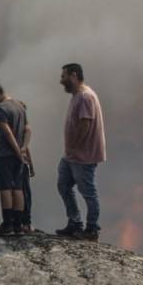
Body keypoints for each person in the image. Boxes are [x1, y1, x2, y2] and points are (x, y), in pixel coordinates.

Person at [54, 63, 106, 241]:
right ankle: (75, 223)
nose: (61, 81)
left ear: (74, 75)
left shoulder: (85, 96)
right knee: (63, 185)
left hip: (83, 157)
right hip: (71, 156)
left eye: (64, 76)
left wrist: (75, 146)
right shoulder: (78, 95)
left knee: (88, 192)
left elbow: (85, 124)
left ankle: (92, 229)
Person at [0, 78, 33, 235]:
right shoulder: (19, 105)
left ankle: (7, 224)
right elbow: (28, 129)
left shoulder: (1, 108)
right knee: (18, 188)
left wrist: (17, 151)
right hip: (19, 155)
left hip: (4, 154)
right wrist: (23, 149)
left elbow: (7, 132)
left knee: (5, 188)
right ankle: (18, 225)